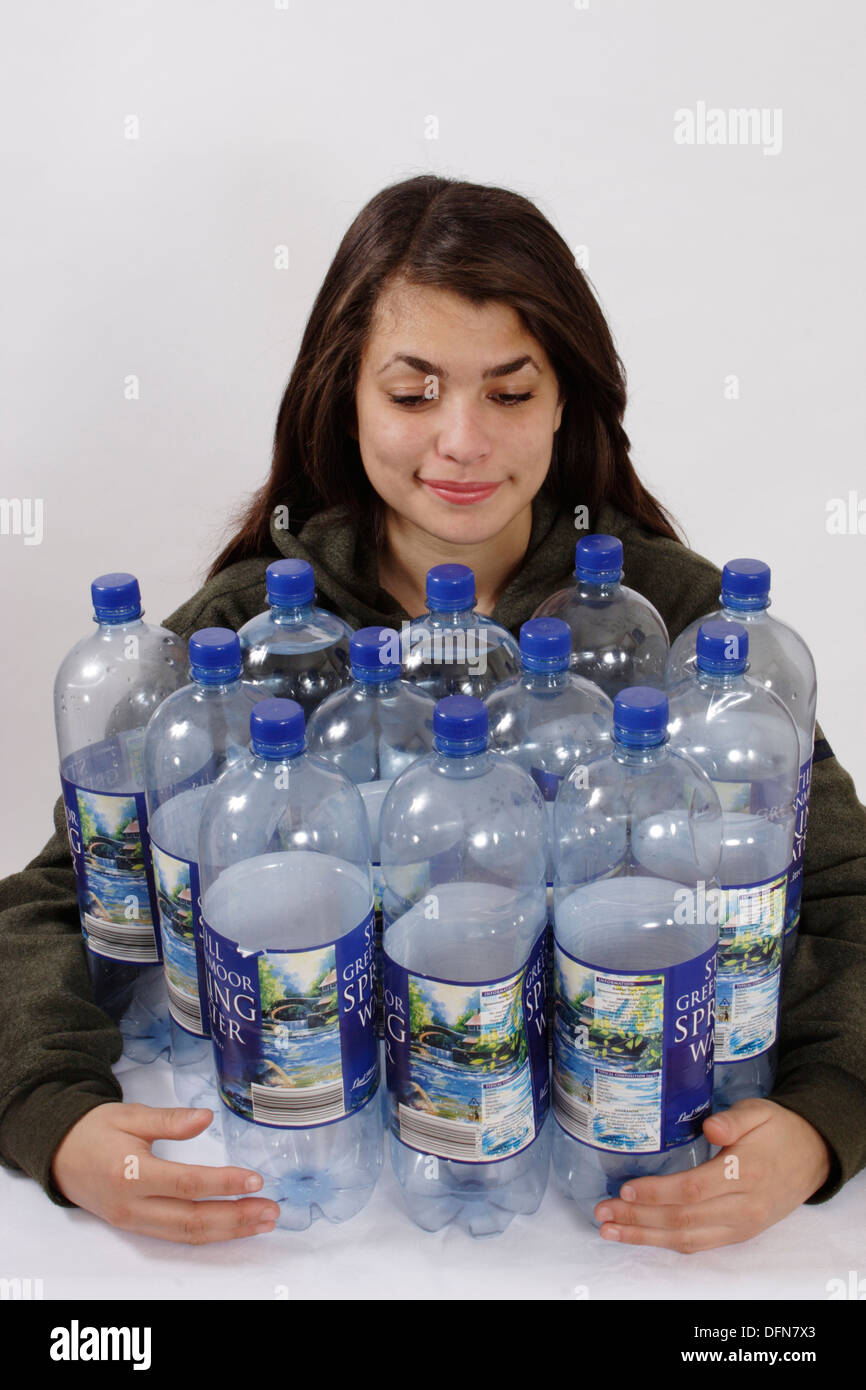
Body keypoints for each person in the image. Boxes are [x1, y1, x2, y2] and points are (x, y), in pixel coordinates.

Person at [2, 175, 864, 1252]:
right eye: (411, 394)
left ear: (567, 402)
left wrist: (825, 1119)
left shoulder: (673, 620)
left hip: (627, 1167)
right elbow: (50, 900)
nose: (460, 441)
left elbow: (838, 882)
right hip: (333, 1205)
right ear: (341, 396)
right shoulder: (245, 637)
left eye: (509, 394)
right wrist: (60, 1119)